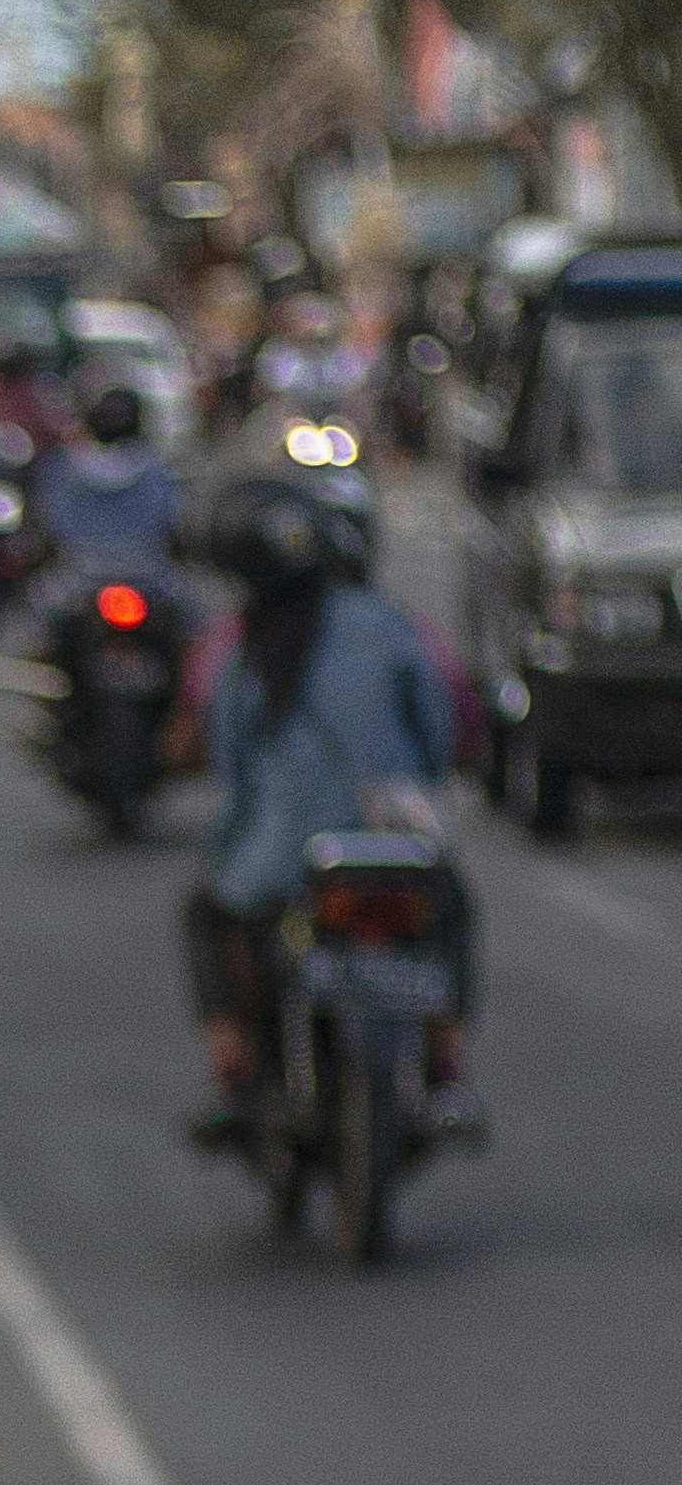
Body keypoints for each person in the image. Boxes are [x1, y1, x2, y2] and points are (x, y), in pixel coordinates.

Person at [183, 480, 463, 1145]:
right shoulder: (389, 623)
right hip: (396, 839)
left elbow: (233, 776)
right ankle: (446, 1071)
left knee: (207, 915)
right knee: (452, 910)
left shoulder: (236, 651)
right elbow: (437, 727)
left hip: (282, 858)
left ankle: (233, 1071)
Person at [32, 380, 181, 590]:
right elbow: (173, 518)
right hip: (141, 575)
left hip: (81, 576)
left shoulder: (64, 465)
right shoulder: (156, 467)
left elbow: (49, 519)